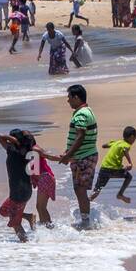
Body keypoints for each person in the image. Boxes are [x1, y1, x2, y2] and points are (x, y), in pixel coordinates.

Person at [57, 84, 98, 228]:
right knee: (80, 189)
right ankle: (86, 219)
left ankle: (86, 222)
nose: (68, 101)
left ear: (76, 97)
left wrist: (68, 155)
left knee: (80, 190)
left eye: (69, 98)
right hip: (86, 155)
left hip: (83, 157)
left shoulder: (81, 114)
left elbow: (80, 137)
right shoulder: (87, 111)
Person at [0, 129, 37, 242]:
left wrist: (14, 140)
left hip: (18, 193)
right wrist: (17, 140)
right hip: (25, 190)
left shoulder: (13, 150)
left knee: (15, 223)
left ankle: (25, 245)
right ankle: (29, 217)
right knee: (3, 211)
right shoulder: (28, 152)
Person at [91, 126, 136, 203]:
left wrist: (108, 145)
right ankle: (120, 194)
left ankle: (86, 203)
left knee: (97, 190)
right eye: (134, 139)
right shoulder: (126, 145)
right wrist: (130, 163)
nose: (134, 141)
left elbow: (104, 146)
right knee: (128, 177)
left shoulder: (116, 143)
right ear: (132, 137)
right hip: (113, 169)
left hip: (104, 168)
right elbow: (125, 150)